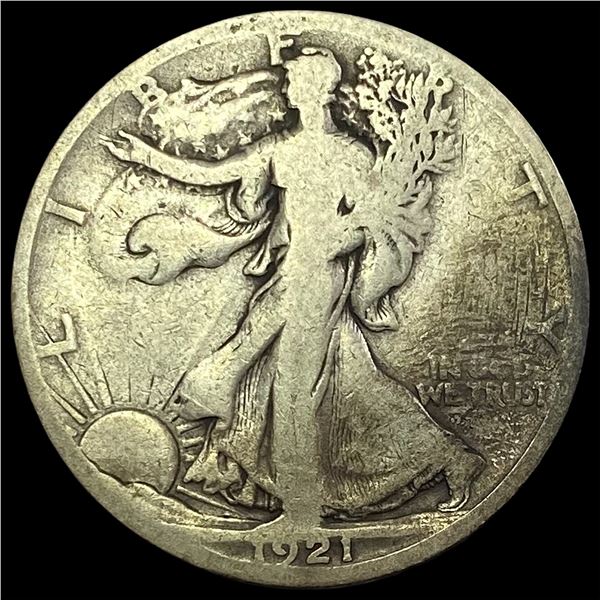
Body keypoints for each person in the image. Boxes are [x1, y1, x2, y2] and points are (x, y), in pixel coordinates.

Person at [102, 47, 484, 526]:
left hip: (319, 277)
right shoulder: (281, 149)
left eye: (298, 80)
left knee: (293, 390)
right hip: (291, 273)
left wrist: (335, 243)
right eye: (290, 80)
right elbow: (213, 175)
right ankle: (449, 457)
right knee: (340, 380)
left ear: (322, 89)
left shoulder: (350, 155)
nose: (290, 88)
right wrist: (145, 155)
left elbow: (370, 220)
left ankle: (301, 509)